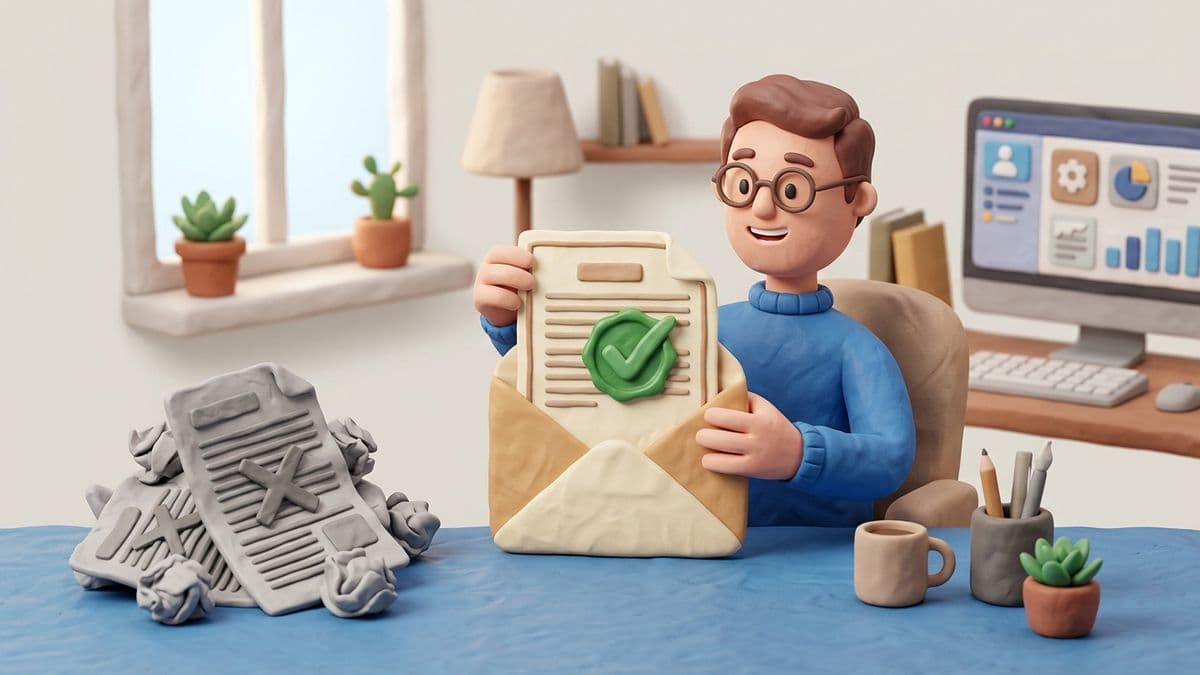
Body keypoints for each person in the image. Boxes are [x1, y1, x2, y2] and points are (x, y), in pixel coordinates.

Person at [473, 75, 915, 528]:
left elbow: (891, 457)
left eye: (792, 190)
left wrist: (798, 453)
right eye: (743, 184)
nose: (763, 208)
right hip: (697, 538)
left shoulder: (856, 349)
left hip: (819, 552)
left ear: (858, 199)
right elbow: (597, 380)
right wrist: (508, 319)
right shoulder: (703, 327)